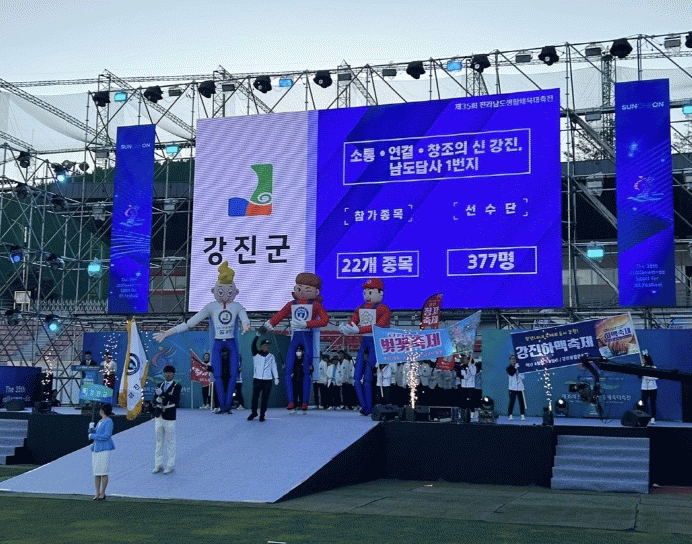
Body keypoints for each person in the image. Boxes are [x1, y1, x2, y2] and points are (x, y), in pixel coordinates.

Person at [154, 262, 250, 414]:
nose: (225, 294)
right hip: (218, 342)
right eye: (221, 290)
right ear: (214, 291)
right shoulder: (211, 306)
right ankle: (223, 405)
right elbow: (189, 323)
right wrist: (167, 333)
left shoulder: (237, 306)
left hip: (231, 342)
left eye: (229, 290)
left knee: (233, 374)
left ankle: (227, 405)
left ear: (235, 291)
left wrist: (246, 325)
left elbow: (245, 319)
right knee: (217, 375)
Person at [264, 272, 329, 412]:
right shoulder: (292, 304)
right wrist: (269, 324)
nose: (303, 291)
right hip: (296, 337)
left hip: (307, 335)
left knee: (307, 371)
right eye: (300, 288)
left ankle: (304, 402)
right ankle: (291, 401)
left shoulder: (315, 305)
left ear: (316, 292)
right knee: (288, 370)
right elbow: (279, 315)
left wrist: (307, 324)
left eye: (307, 289)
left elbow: (325, 320)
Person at [339, 278, 391, 416]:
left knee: (368, 378)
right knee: (356, 378)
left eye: (370, 292)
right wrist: (346, 328)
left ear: (380, 293)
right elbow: (353, 321)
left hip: (375, 342)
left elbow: (379, 325)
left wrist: (359, 330)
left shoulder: (383, 309)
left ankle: (369, 406)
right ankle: (365, 406)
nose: (367, 295)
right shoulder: (360, 308)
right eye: (365, 292)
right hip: (365, 342)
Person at [152, 365, 181, 474]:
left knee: (170, 441)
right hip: (159, 415)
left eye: (170, 373)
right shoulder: (160, 385)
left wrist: (163, 394)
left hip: (169, 415)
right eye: (166, 372)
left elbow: (175, 399)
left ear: (173, 374)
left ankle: (170, 464)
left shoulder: (177, 386)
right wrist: (156, 400)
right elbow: (154, 398)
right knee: (158, 441)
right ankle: (158, 464)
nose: (168, 374)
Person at [247, 336, 279, 422]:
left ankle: (262, 414)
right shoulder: (256, 354)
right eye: (265, 345)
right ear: (261, 346)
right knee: (255, 397)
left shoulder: (271, 356)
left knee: (265, 398)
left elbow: (274, 367)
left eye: (268, 345)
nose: (267, 346)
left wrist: (276, 377)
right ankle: (254, 413)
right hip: (257, 379)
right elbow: (253, 345)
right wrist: (256, 336)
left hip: (267, 380)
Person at [88, 402, 114, 500]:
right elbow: (96, 432)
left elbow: (106, 436)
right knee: (96, 472)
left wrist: (92, 435)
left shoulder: (109, 422)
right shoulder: (100, 421)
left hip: (104, 449)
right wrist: (91, 429)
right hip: (96, 449)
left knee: (103, 472)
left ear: (102, 411)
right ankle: (97, 492)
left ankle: (102, 492)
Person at [641, 351, 658, 424]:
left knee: (652, 403)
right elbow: (639, 376)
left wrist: (647, 377)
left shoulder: (654, 367)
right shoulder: (642, 367)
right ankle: (643, 418)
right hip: (644, 388)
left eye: (643, 359)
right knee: (643, 404)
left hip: (653, 388)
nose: (643, 360)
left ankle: (653, 418)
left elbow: (656, 377)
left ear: (647, 359)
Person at [507, 354, 526, 421]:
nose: (513, 360)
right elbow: (511, 373)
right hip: (512, 388)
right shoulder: (508, 368)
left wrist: (519, 371)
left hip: (520, 388)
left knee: (521, 402)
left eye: (515, 359)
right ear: (510, 360)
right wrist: (515, 368)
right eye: (512, 359)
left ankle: (522, 415)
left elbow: (523, 377)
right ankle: (510, 415)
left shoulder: (520, 368)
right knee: (512, 402)